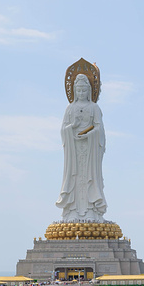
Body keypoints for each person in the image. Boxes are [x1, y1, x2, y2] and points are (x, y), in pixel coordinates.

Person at [56, 73, 107, 222]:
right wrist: (73, 126)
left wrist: (90, 134)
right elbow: (63, 130)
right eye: (78, 90)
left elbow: (100, 129)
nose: (81, 93)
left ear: (89, 91)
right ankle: (72, 212)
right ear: (74, 91)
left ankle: (91, 210)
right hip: (74, 150)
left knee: (89, 177)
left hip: (90, 149)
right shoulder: (70, 108)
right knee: (74, 177)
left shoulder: (94, 108)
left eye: (84, 90)